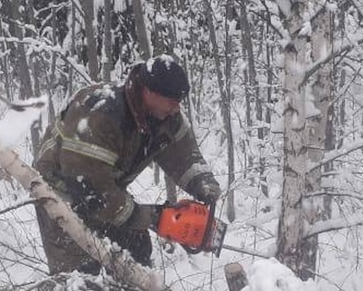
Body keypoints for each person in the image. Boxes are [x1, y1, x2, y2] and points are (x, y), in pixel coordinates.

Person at [33, 55, 222, 274]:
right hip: (60, 191)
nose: (176, 108)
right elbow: (91, 189)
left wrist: (204, 184)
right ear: (149, 91)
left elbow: (184, 155)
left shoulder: (165, 116)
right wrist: (153, 217)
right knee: (79, 274)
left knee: (136, 247)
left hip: (104, 187)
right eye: (172, 101)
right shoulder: (100, 114)